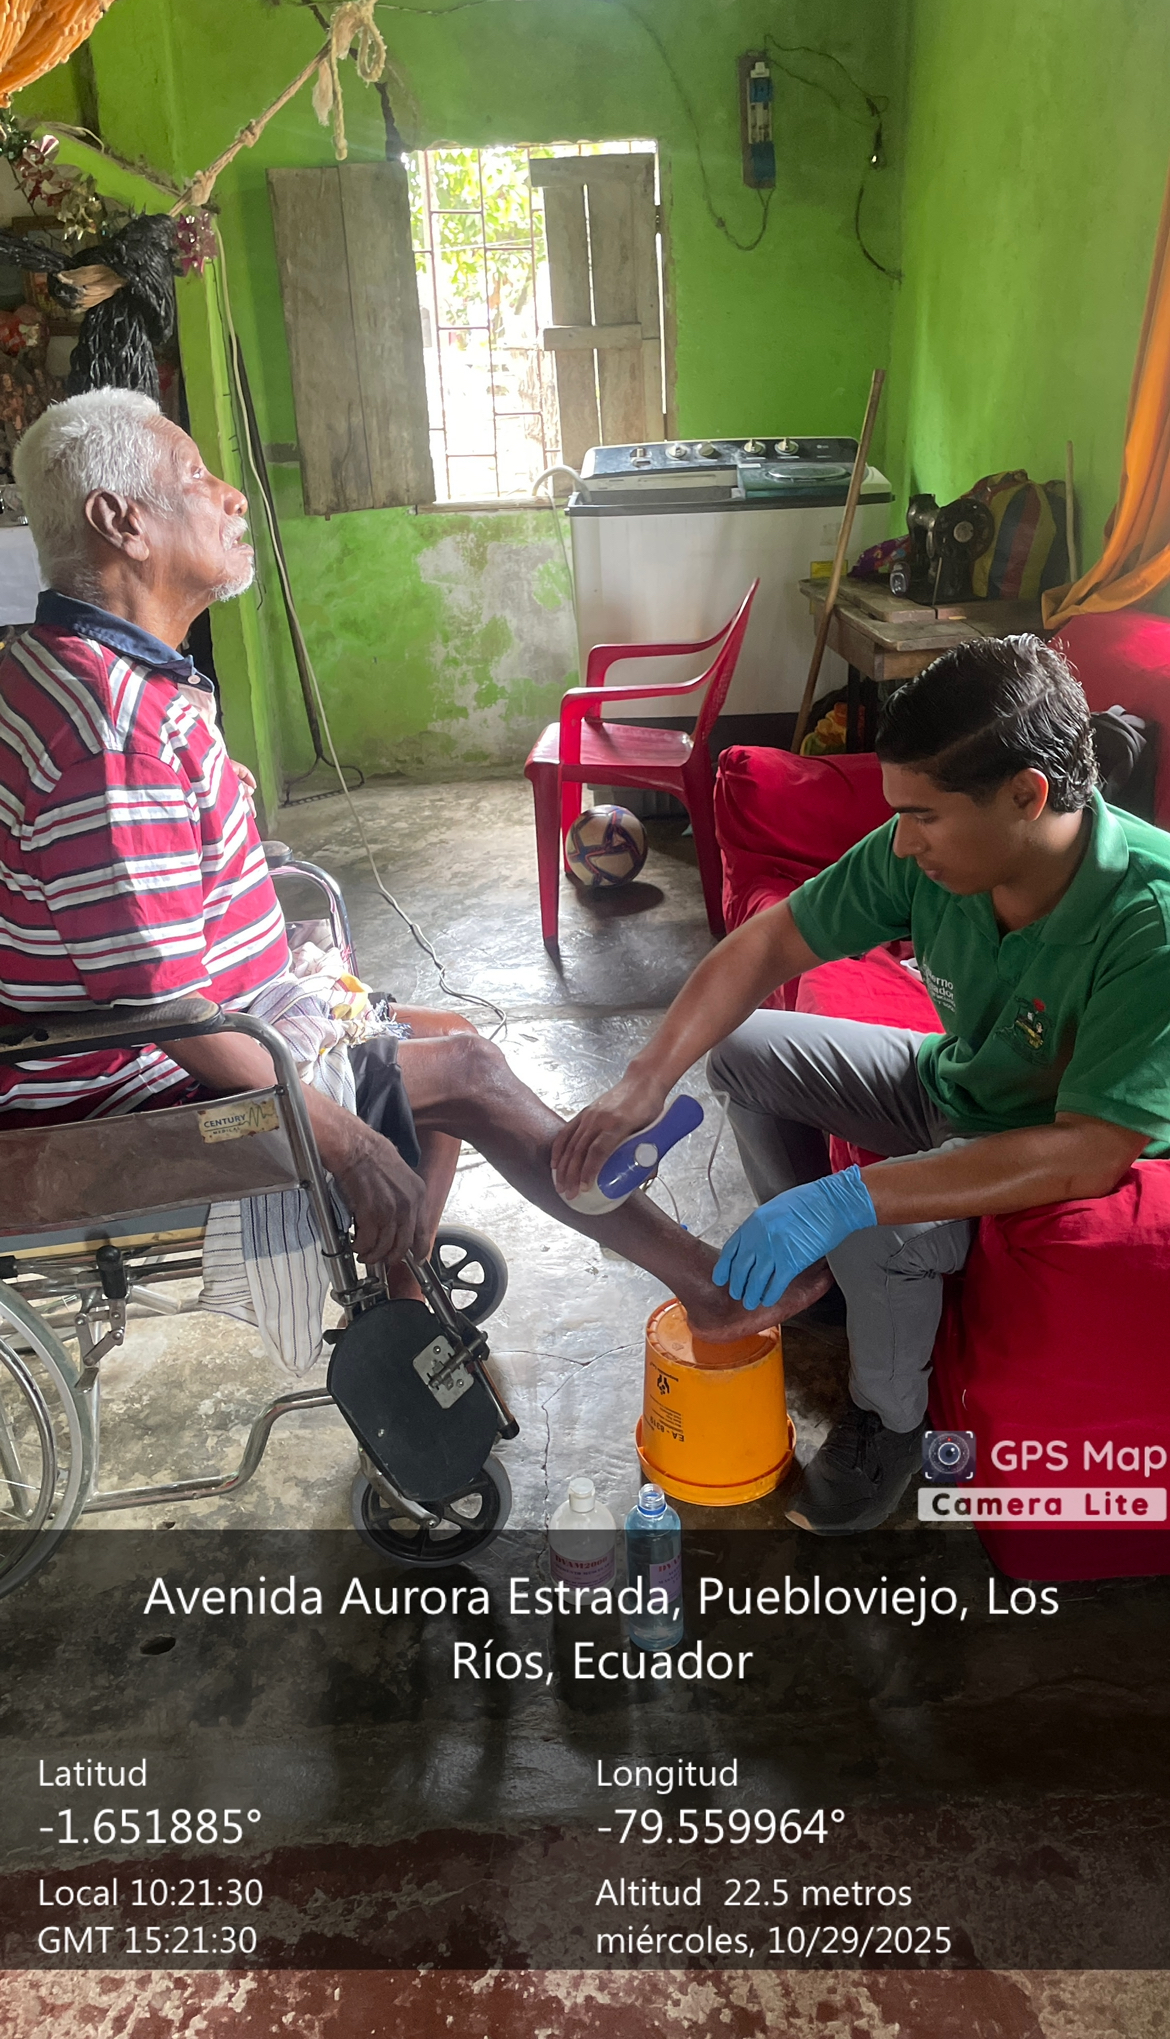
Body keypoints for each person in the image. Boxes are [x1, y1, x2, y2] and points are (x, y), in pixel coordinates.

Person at [2, 387, 820, 1342]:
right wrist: (346, 1142)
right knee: (466, 1070)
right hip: (128, 1097)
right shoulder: (114, 736)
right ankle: (707, 1287)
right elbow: (169, 1012)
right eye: (195, 475)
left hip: (193, 1029)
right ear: (122, 522)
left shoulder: (64, 668)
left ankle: (401, 1304)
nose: (231, 494)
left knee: (450, 1034)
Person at [554, 636, 1170, 1534]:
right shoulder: (929, 854)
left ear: (1027, 795)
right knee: (743, 1050)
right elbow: (771, 943)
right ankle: (832, 1291)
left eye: (924, 817)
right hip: (955, 1083)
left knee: (877, 1225)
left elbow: (1090, 1150)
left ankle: (889, 1422)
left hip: (1036, 1149)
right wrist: (643, 1081)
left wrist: (845, 1199)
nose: (903, 841)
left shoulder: (1149, 920)